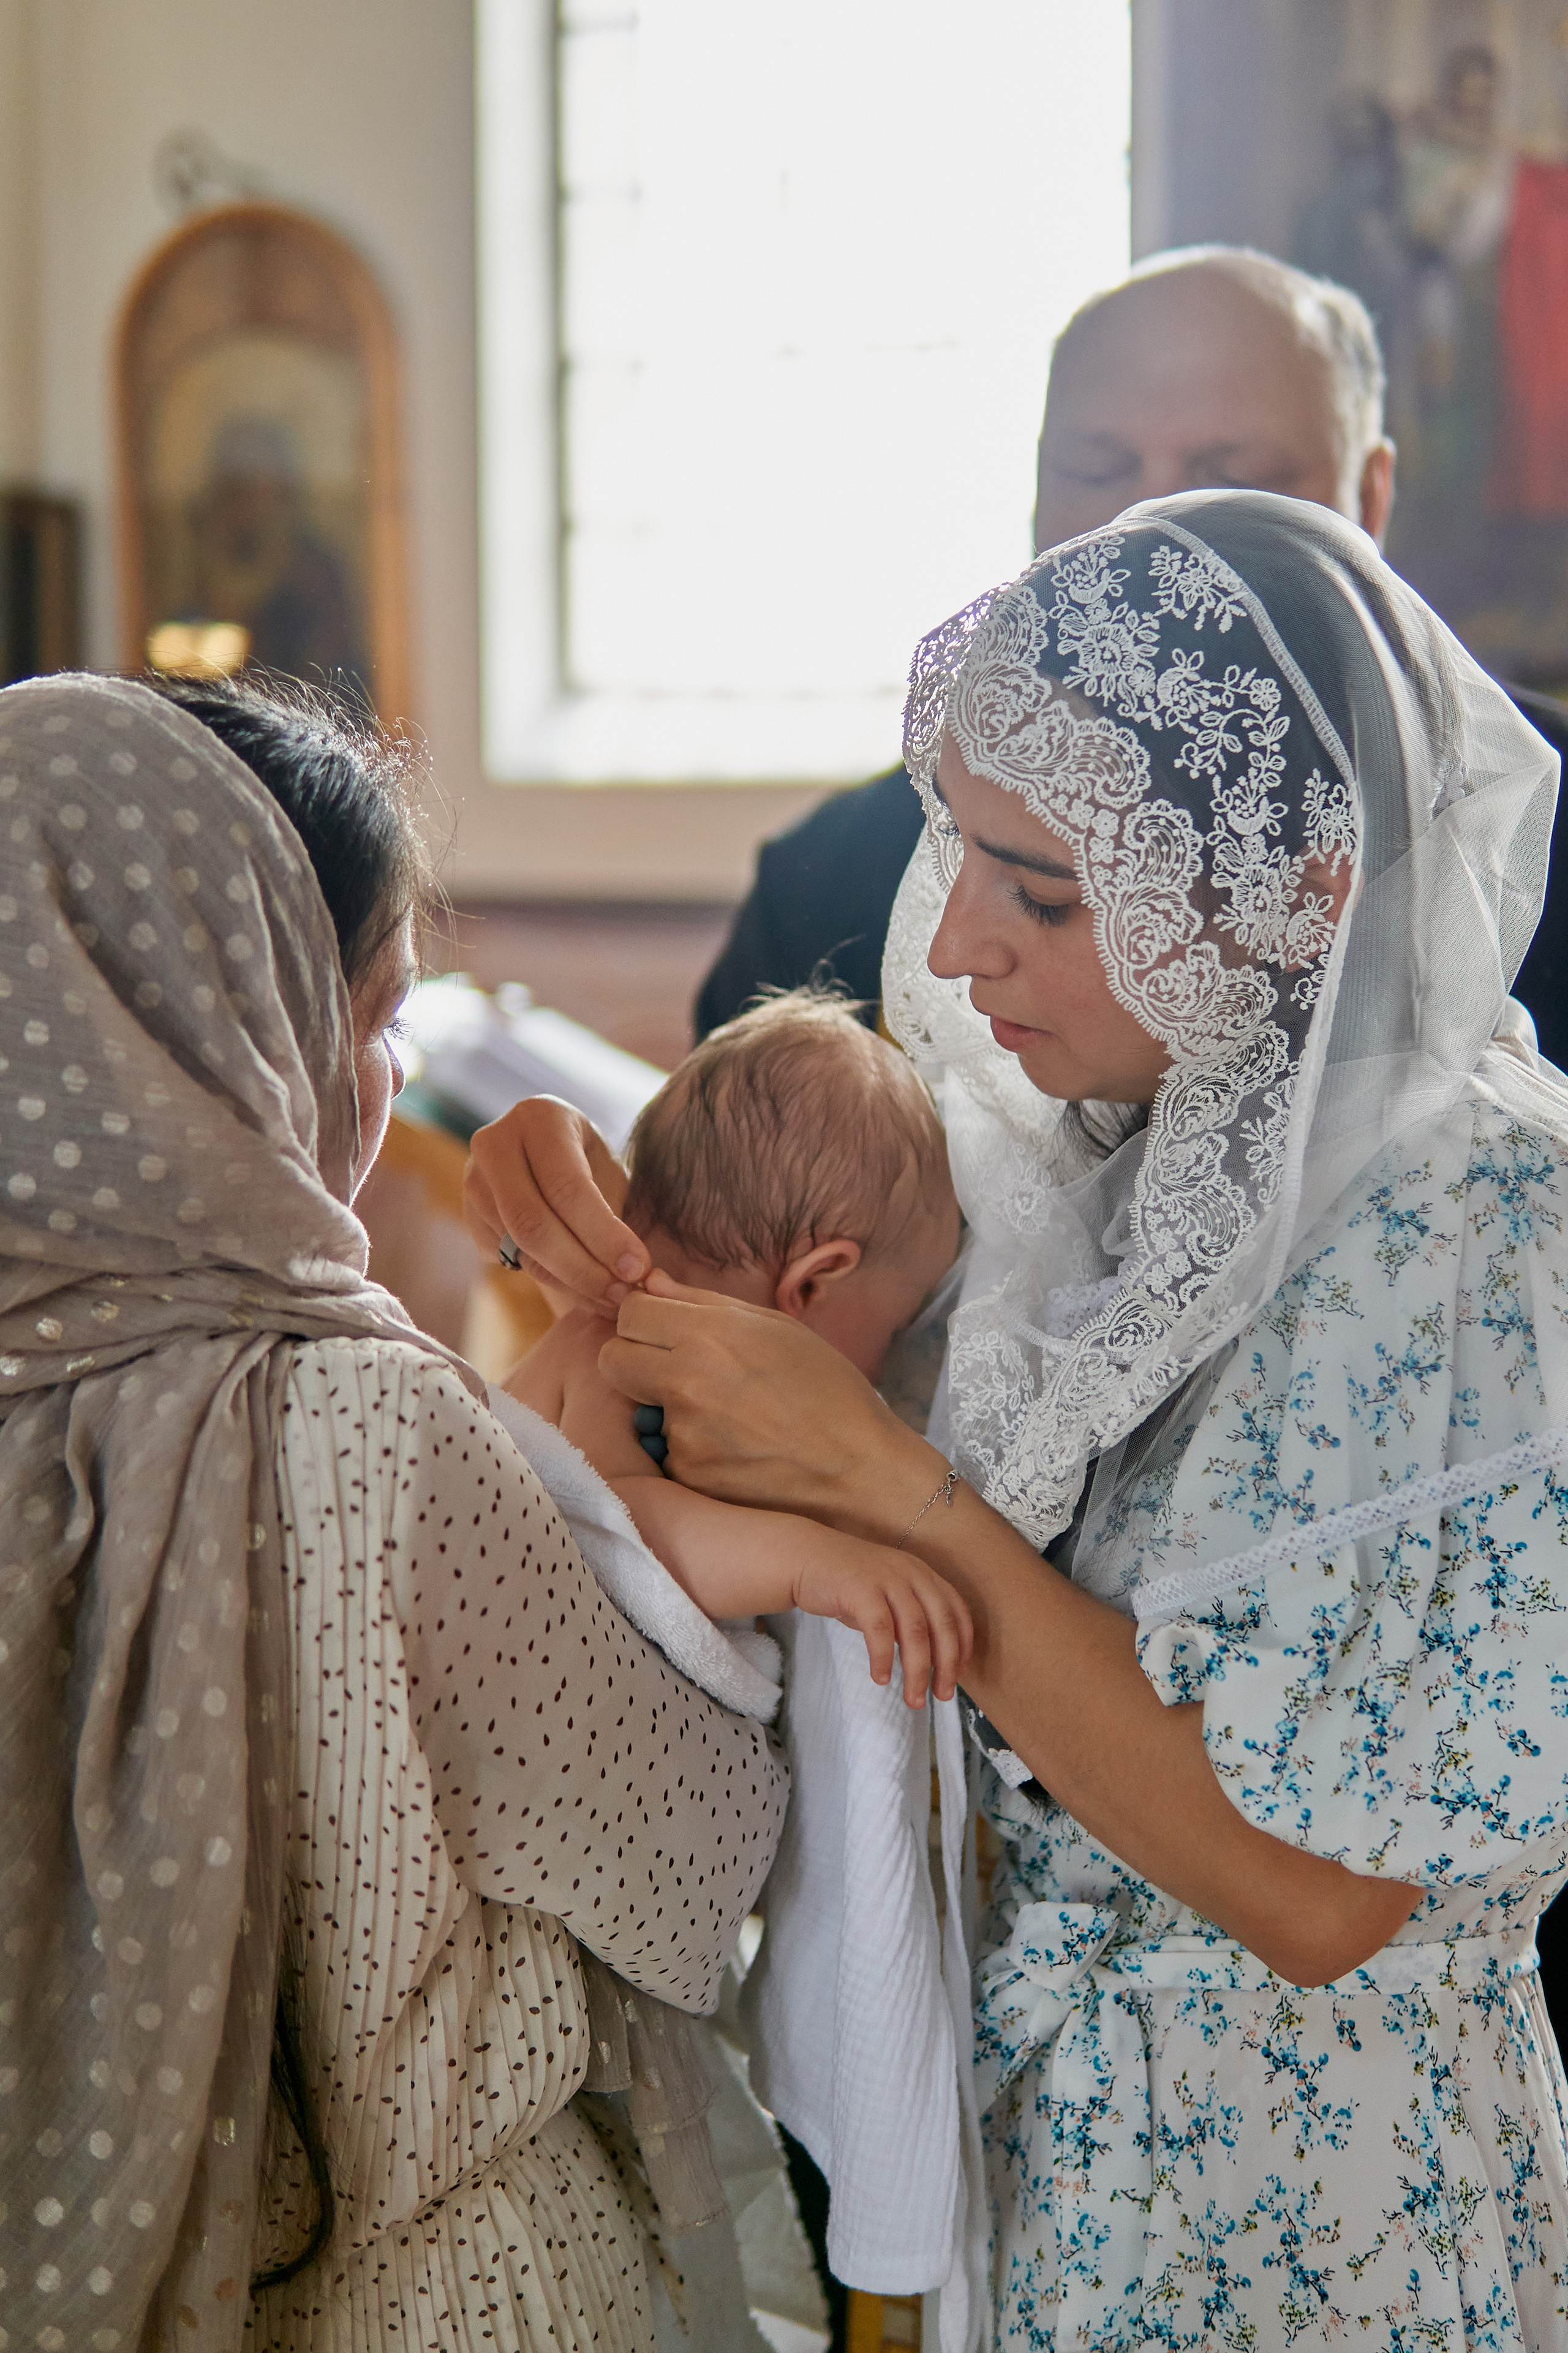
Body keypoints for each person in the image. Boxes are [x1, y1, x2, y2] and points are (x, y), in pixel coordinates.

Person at [468, 491, 1568, 2347]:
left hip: (1302, 2201)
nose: (960, 947)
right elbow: (783, 1314)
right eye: (958, 856)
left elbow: (1318, 1893)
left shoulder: (1479, 1219)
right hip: (1061, 2169)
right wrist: (591, 1208)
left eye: (1039, 890)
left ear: (1300, 885)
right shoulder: (1126, 1159)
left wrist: (883, 1486)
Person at [0, 671, 786, 2352]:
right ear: (229, 1023)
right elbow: (674, 1861)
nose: (385, 1073)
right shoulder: (353, 1422)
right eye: (365, 1018)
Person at [696, 244, 1568, 1070]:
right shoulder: (833, 882)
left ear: (1368, 498)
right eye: (1099, 467)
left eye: (1228, 475)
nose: (1152, 531)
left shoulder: (1546, 823)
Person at [505, 989, 968, 1704]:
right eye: (894, 1327)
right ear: (813, 1284)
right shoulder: (614, 1352)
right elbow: (626, 1534)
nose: (889, 1364)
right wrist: (812, 1564)